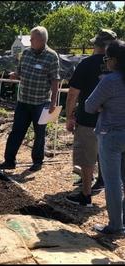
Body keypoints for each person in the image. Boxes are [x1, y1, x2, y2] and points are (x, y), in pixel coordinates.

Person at [0, 26, 60, 172]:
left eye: (32, 38)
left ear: (42, 40)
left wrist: (53, 102)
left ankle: (37, 161)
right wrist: (15, 74)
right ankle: (9, 161)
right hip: (23, 101)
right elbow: (20, 72)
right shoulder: (26, 53)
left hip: (41, 102)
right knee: (16, 131)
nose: (30, 40)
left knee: (39, 134)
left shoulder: (52, 56)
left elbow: (55, 80)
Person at [65, 29, 117, 207]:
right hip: (115, 121)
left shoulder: (86, 64)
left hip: (89, 120)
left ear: (96, 45)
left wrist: (69, 116)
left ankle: (85, 195)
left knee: (87, 160)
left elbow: (72, 94)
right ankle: (113, 200)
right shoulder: (120, 68)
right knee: (112, 157)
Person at [85, 40, 125, 235]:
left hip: (110, 135)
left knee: (112, 182)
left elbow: (89, 105)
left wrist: (103, 105)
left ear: (114, 61)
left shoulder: (109, 81)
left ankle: (116, 225)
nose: (106, 62)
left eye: (108, 58)